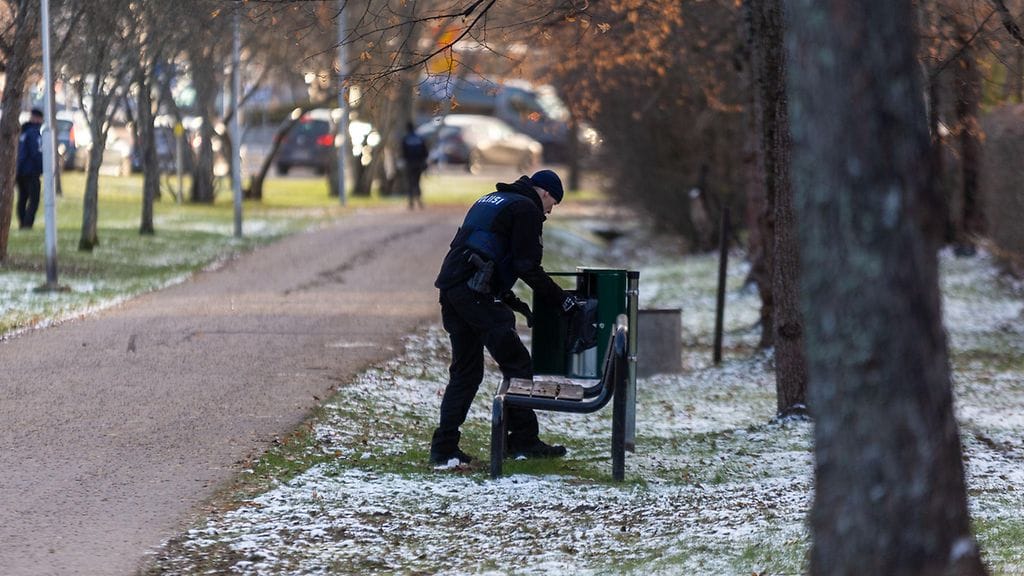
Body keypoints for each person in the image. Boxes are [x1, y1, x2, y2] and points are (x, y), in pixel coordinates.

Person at [430, 169, 582, 467]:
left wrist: (512, 300)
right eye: (553, 203)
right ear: (545, 193)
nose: (550, 211)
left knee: (466, 371)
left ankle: (444, 447)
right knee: (517, 363)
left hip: (453, 288)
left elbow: (485, 250)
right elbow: (527, 265)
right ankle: (523, 441)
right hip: (474, 294)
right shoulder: (526, 209)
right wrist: (562, 300)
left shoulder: (491, 199)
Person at [16, 109, 44, 230]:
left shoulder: (22, 131)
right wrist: (41, 168)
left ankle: (22, 223)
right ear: (38, 118)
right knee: (34, 199)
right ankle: (27, 225)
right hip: (31, 171)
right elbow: (36, 152)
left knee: (22, 198)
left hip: (20, 171)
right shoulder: (34, 133)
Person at [401, 122, 429, 210]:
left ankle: (411, 202)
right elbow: (425, 152)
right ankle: (419, 201)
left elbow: (403, 152)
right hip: (419, 163)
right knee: (417, 182)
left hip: (410, 163)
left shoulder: (406, 139)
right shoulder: (419, 138)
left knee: (410, 182)